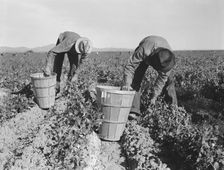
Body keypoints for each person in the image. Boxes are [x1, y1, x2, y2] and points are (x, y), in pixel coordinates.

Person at [122, 35, 178, 116]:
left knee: (169, 81)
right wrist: (127, 84)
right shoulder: (144, 50)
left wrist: (154, 97)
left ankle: (173, 109)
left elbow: (161, 81)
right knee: (136, 77)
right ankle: (133, 110)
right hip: (148, 45)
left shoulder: (167, 59)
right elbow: (130, 66)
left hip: (160, 49)